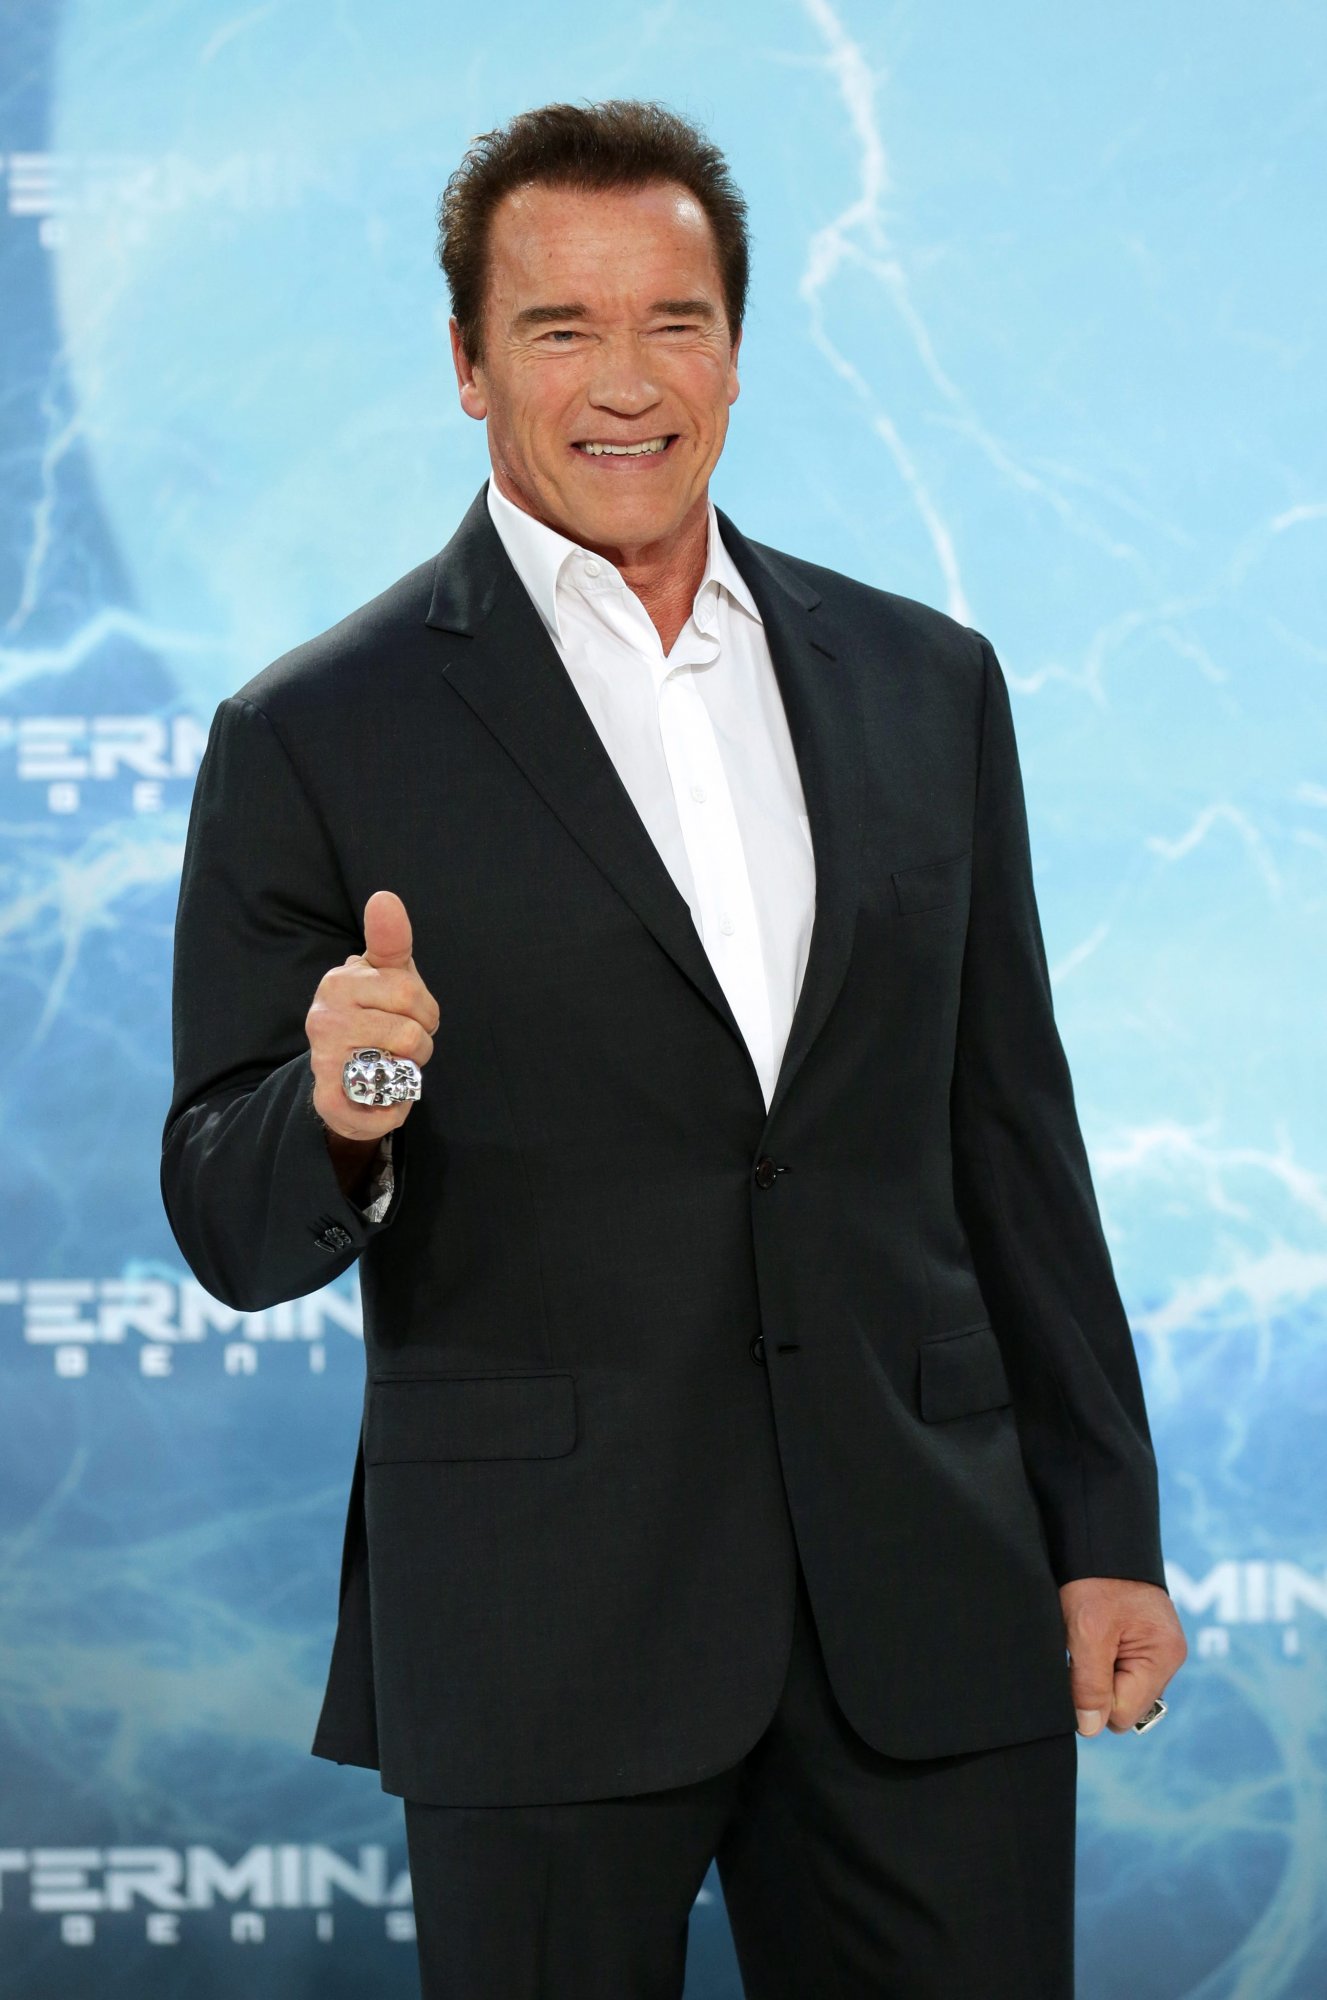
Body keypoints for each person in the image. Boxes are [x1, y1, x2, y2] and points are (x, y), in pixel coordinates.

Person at [162, 97, 1187, 2000]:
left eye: (676, 323)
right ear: (469, 364)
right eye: (560, 329)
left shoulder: (925, 682)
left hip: (928, 1603)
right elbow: (226, 1213)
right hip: (545, 1622)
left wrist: (1103, 1529)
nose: (626, 383)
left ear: (734, 349)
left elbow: (1013, 1144)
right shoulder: (313, 733)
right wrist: (347, 1105)